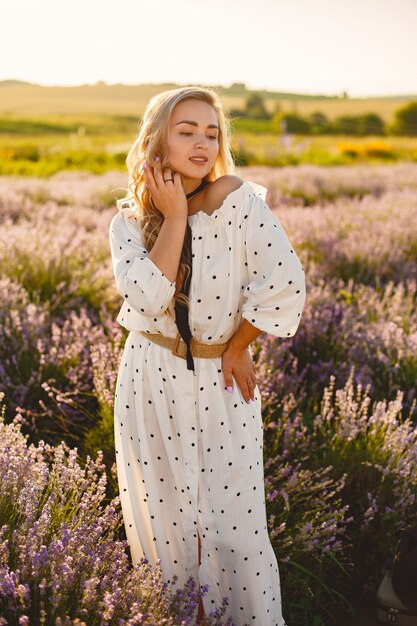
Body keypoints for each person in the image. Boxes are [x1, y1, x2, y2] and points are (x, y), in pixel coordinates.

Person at [109, 85, 306, 626]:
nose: (201, 143)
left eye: (211, 133)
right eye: (186, 130)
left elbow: (286, 282)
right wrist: (173, 218)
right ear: (158, 140)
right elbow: (148, 298)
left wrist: (240, 345)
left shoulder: (239, 201)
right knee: (166, 525)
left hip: (222, 378)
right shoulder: (128, 222)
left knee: (234, 530)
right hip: (150, 377)